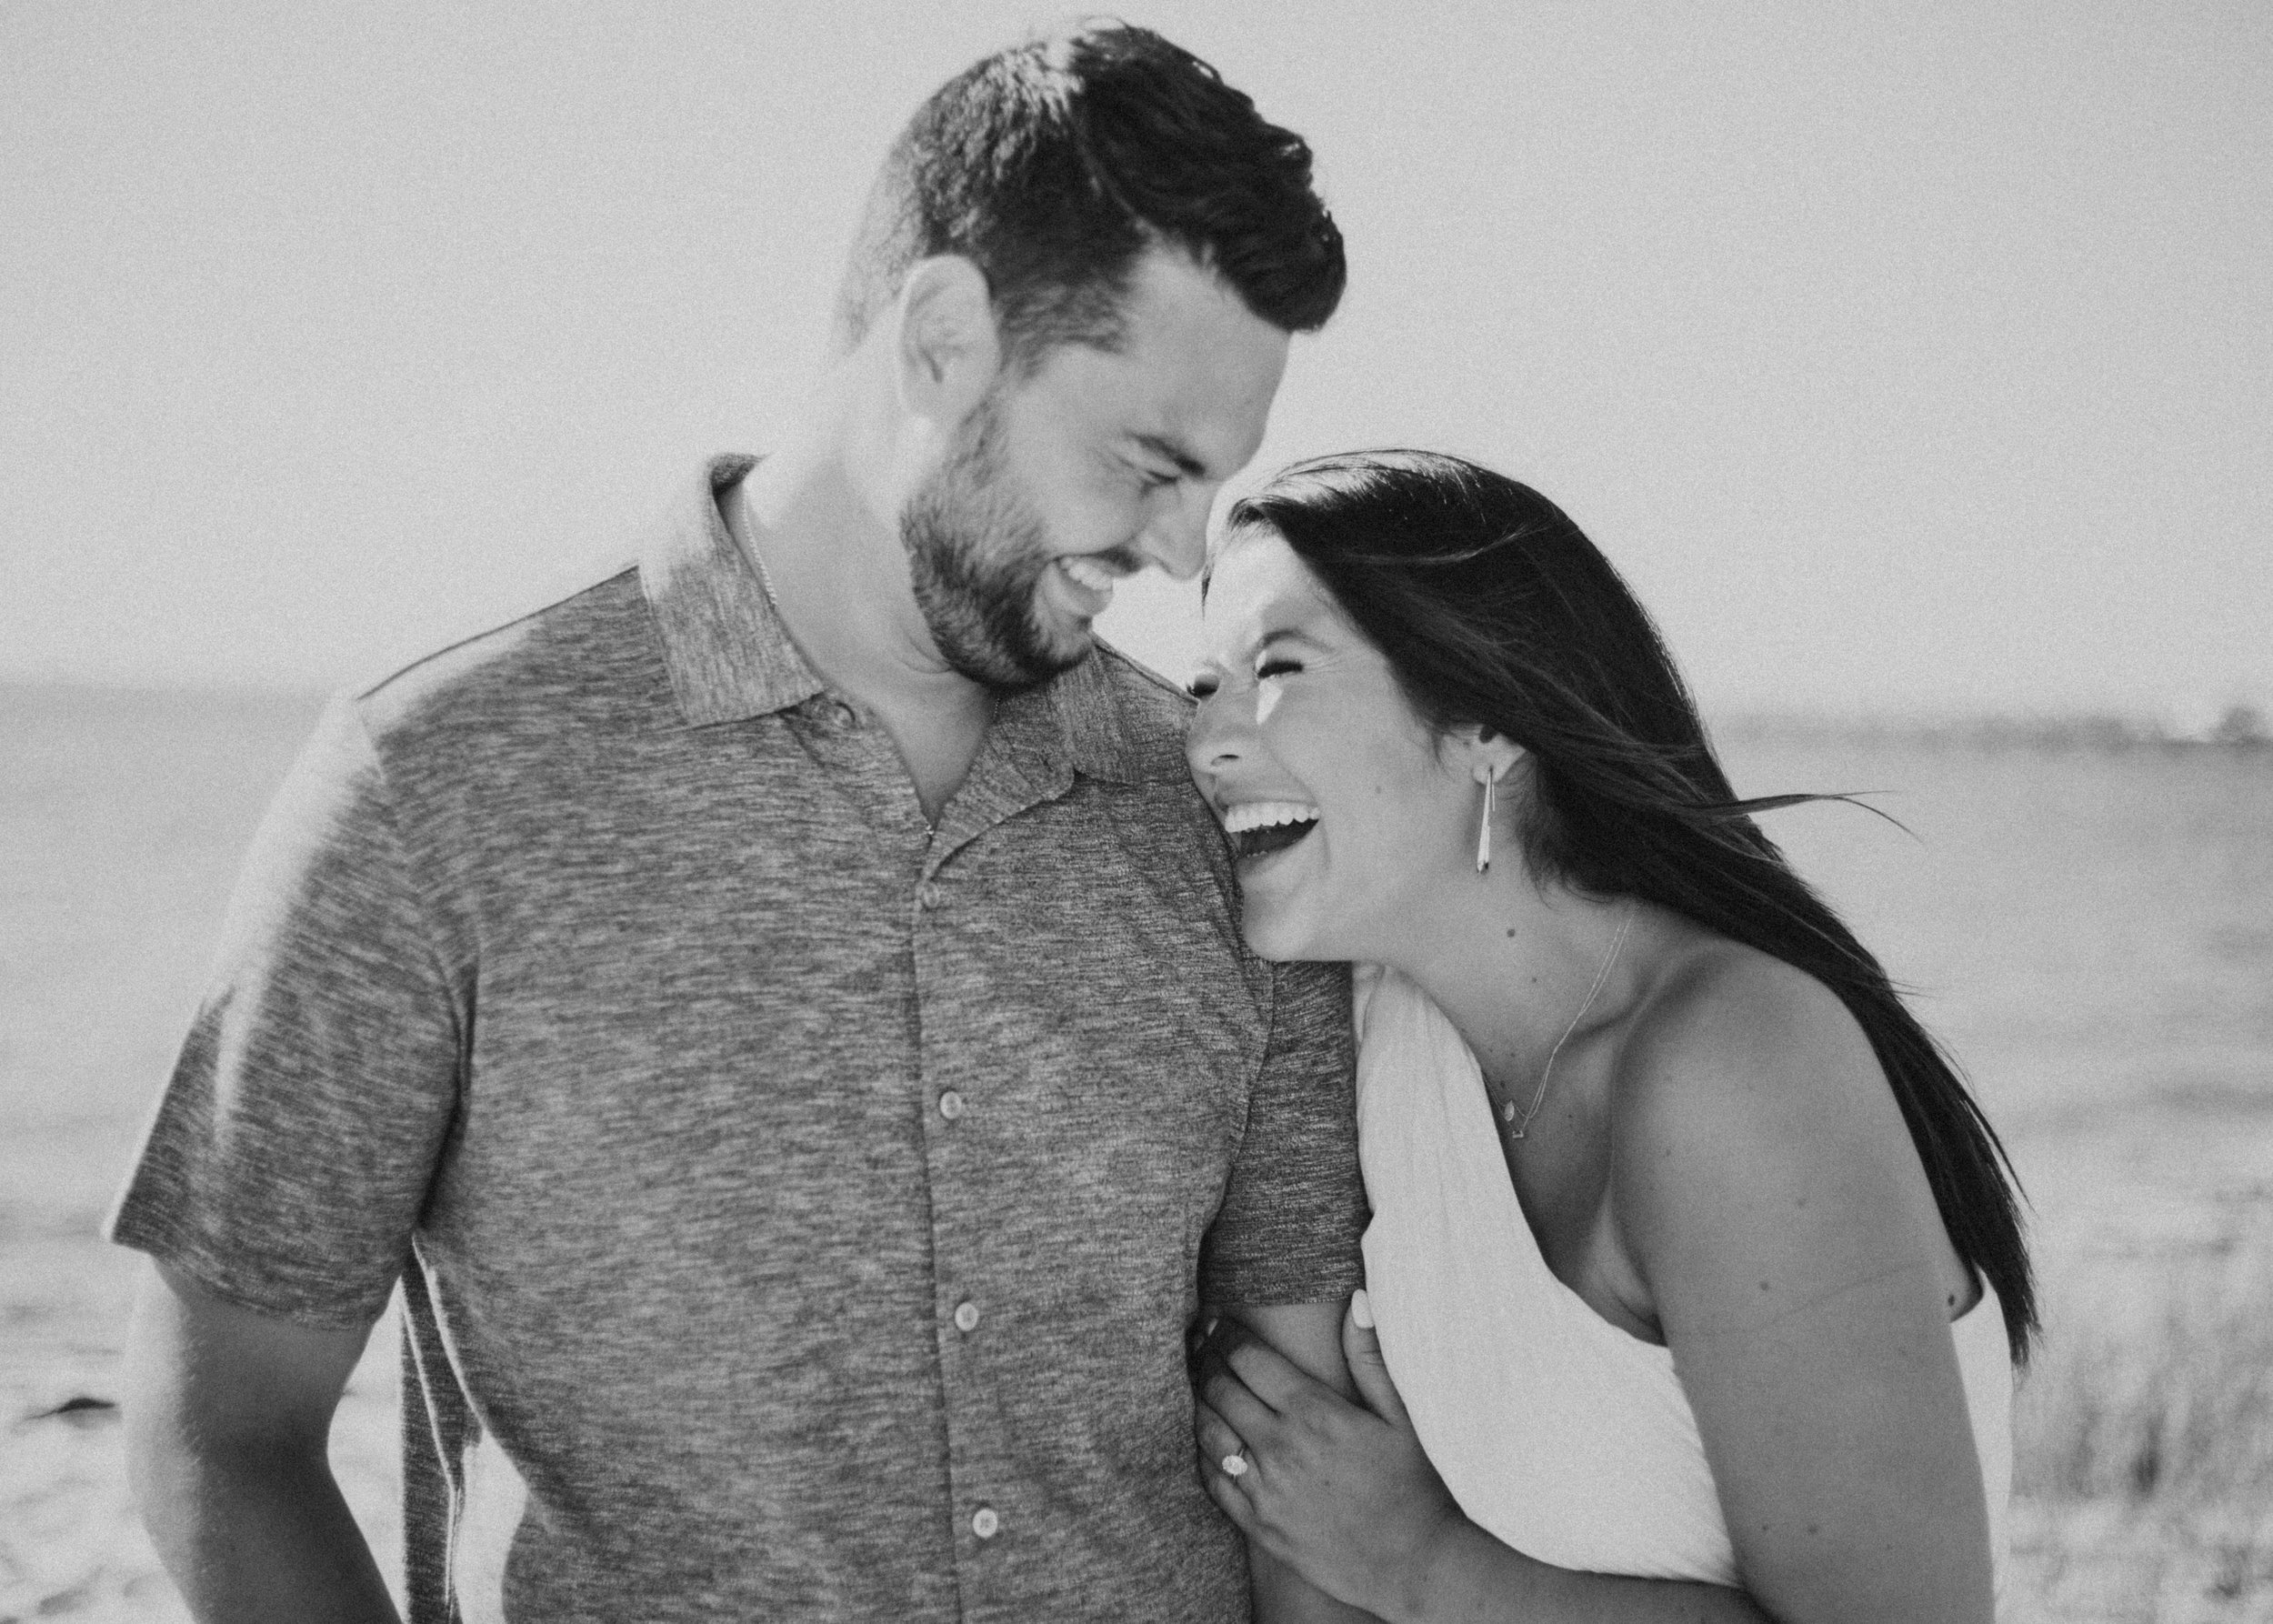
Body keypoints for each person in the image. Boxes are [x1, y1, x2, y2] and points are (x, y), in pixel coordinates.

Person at [108, 27, 1377, 1623]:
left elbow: (1296, 1439)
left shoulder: (1213, 812)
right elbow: (222, 1427)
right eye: (1150, 461)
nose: (1190, 549)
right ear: (941, 338)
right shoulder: (436, 782)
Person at [1182, 450, 2036, 1624]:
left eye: (1275, 667)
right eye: (1202, 686)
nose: (1207, 743)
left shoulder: (1733, 1060)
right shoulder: (1368, 1039)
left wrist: (1420, 1562)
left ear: (1486, 719)